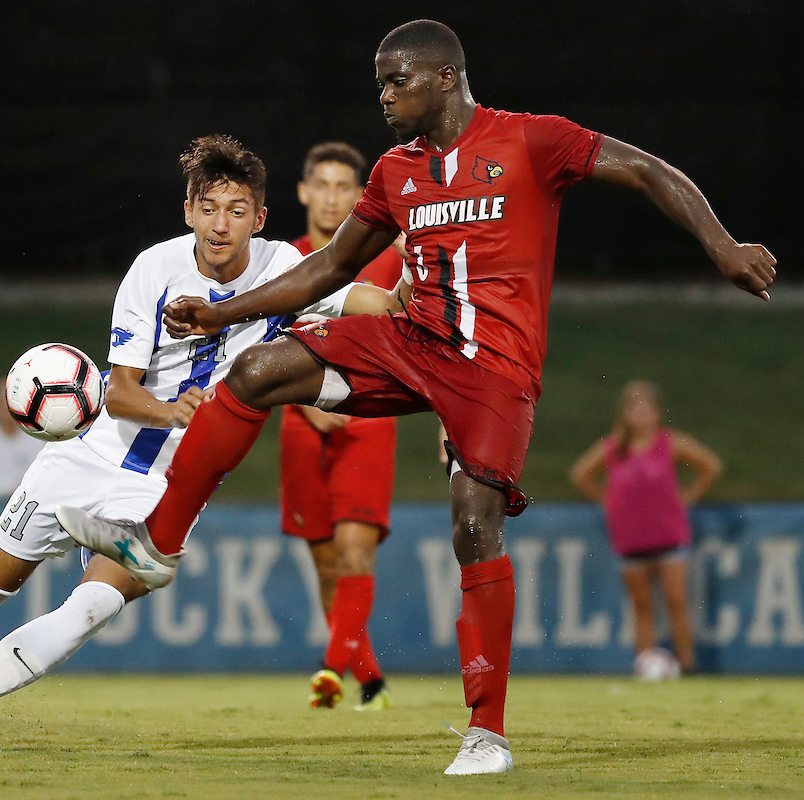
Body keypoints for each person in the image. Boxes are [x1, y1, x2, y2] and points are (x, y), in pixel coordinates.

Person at [58, 19, 776, 776]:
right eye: (378, 83)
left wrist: (722, 245)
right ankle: (158, 543)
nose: (384, 96)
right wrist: (222, 313)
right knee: (257, 371)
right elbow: (334, 265)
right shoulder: (397, 170)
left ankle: (487, 733)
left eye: (395, 80)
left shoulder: (532, 141)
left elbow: (648, 170)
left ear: (445, 78)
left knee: (473, 524)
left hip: (496, 372)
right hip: (412, 343)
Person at [0, 134, 407, 754]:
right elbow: (120, 394)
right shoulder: (154, 268)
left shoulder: (284, 271)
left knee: (90, 610)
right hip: (88, 456)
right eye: (209, 208)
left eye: (236, 210)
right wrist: (178, 412)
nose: (221, 225)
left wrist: (422, 256)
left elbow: (381, 304)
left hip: (165, 486)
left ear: (260, 218)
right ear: (188, 210)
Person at [280, 142, 403, 712]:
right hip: (302, 427)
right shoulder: (282, 261)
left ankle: (330, 670)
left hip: (367, 421)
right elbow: (262, 344)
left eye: (342, 188)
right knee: (328, 567)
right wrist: (305, 404)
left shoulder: (386, 258)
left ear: (359, 196)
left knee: (355, 556)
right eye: (321, 185)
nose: (331, 198)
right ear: (304, 192)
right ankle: (370, 682)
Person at [570, 380, 721, 676]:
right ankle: (644, 663)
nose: (640, 414)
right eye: (634, 408)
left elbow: (710, 465)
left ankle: (687, 664)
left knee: (676, 600)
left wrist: (690, 495)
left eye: (646, 408)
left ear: (656, 413)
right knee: (641, 605)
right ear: (624, 414)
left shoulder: (670, 442)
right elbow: (581, 475)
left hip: (669, 533)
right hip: (630, 537)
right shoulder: (613, 448)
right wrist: (607, 501)